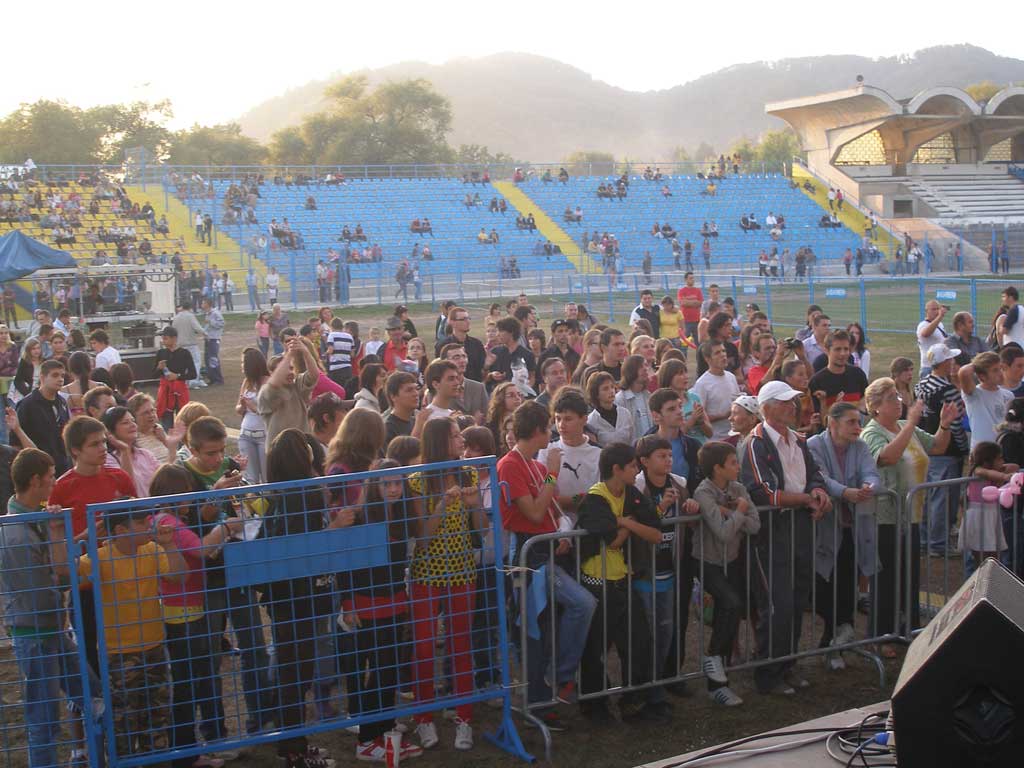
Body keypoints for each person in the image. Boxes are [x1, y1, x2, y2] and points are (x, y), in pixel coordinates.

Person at [498, 400, 596, 730]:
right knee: (542, 627)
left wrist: (562, 534)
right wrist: (554, 472)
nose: (552, 434)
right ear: (538, 431)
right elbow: (535, 513)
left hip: (547, 554)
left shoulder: (536, 467)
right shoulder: (511, 465)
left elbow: (555, 514)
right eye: (549, 428)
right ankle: (543, 696)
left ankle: (551, 685)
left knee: (549, 626)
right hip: (527, 560)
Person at [0, 448, 100, 768]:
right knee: (45, 721)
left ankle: (91, 755)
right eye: (51, 476)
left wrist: (57, 533)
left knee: (91, 695)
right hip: (39, 631)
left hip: (47, 629)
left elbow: (55, 573)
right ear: (35, 481)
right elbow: (47, 586)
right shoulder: (18, 533)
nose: (55, 481)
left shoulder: (32, 519)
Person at [740, 380, 832, 695]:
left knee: (796, 599)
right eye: (785, 402)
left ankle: (787, 664)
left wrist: (817, 490)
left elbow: (814, 473)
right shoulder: (756, 443)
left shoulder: (799, 440)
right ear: (766, 408)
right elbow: (764, 493)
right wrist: (806, 500)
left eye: (793, 401)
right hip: (771, 534)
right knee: (776, 604)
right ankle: (768, 673)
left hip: (800, 530)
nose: (792, 407)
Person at [260, 429, 338, 768]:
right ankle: (293, 748)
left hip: (293, 597)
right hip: (298, 598)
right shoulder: (301, 495)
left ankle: (293, 741)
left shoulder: (284, 494)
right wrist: (334, 530)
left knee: (294, 671)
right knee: (295, 672)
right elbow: (300, 546)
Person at [576, 442, 670, 723]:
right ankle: (595, 706)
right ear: (617, 469)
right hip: (597, 583)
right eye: (632, 466)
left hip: (622, 580)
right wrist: (628, 525)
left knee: (639, 643)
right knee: (596, 648)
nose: (636, 469)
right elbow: (613, 541)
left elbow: (655, 532)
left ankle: (635, 701)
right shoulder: (595, 499)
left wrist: (624, 522)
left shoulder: (631, 493)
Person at [407, 418, 485, 750]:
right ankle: (424, 717)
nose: (461, 440)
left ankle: (463, 717)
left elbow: (481, 529)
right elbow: (421, 539)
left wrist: (474, 504)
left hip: (462, 571)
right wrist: (441, 505)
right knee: (424, 647)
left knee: (460, 644)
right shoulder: (416, 481)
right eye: (455, 436)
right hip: (427, 573)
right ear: (440, 442)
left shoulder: (468, 474)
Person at [862, 378, 956, 650]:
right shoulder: (873, 432)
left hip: (912, 516)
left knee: (910, 575)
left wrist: (945, 424)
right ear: (876, 407)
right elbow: (888, 457)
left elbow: (937, 446)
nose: (900, 402)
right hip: (885, 517)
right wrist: (913, 422)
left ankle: (908, 629)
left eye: (898, 396)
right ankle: (881, 636)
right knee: (887, 577)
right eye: (892, 398)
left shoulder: (906, 427)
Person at [806, 402, 882, 670]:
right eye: (851, 422)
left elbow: (872, 472)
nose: (857, 427)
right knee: (822, 584)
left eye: (858, 421)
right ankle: (839, 630)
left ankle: (836, 640)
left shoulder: (860, 446)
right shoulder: (814, 445)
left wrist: (868, 486)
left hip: (852, 528)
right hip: (823, 529)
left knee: (848, 580)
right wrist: (846, 492)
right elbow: (819, 477)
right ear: (833, 423)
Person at [692, 441, 759, 705]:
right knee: (731, 602)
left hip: (731, 560)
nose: (738, 466)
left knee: (729, 610)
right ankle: (712, 660)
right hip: (707, 560)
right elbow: (722, 533)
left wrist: (731, 513)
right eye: (733, 462)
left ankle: (718, 683)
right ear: (717, 468)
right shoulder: (703, 492)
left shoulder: (738, 488)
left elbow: (755, 525)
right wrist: (739, 512)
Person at [915, 345, 969, 557]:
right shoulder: (948, 389)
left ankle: (925, 539)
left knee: (928, 496)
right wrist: (963, 448)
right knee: (943, 498)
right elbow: (955, 423)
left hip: (927, 444)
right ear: (944, 363)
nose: (953, 363)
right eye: (950, 360)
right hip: (947, 448)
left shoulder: (920, 385)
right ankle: (938, 544)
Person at [257, 337, 319, 448]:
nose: (290, 372)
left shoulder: (297, 385)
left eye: (291, 368)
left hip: (302, 447)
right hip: (279, 451)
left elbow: (314, 375)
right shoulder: (266, 392)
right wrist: (289, 355)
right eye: (286, 369)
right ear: (272, 373)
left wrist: (305, 351)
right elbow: (275, 384)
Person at [961, 441, 1013, 569]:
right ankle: (980, 583)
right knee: (982, 556)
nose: (1002, 460)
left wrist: (1002, 468)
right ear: (987, 461)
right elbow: (986, 473)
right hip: (979, 517)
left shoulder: (993, 472)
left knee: (993, 556)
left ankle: (990, 582)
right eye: (999, 458)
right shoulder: (978, 471)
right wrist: (1005, 476)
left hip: (990, 516)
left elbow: (1015, 466)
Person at [14, 359, 70, 474]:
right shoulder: (27, 405)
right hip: (38, 469)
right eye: (55, 375)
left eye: (62, 376)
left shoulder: (62, 402)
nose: (60, 379)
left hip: (62, 466)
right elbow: (15, 442)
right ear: (43, 377)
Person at [959, 351, 1014, 450]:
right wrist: (979, 364)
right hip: (982, 451)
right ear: (982, 376)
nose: (1000, 373)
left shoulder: (1008, 395)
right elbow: (964, 372)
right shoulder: (974, 395)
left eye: (1000, 368)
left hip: (1003, 448)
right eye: (995, 370)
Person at [808, 330, 869, 412]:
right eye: (838, 349)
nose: (843, 353)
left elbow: (866, 402)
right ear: (826, 350)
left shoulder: (858, 375)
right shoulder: (817, 381)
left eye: (846, 349)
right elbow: (817, 417)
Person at [693, 341, 741, 439]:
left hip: (735, 435)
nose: (723, 355)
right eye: (717, 353)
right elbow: (700, 417)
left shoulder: (731, 377)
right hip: (716, 438)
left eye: (723, 351)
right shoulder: (702, 384)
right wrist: (723, 415)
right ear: (707, 359)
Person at [236, 347, 270, 484]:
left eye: (244, 362)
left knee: (267, 477)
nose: (242, 366)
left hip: (264, 436)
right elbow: (238, 408)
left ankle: (269, 504)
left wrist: (253, 407)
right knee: (250, 478)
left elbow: (270, 411)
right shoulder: (247, 382)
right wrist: (243, 406)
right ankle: (253, 505)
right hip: (245, 435)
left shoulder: (267, 382)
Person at [153, 326, 197, 430]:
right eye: (162, 338)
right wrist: (159, 368)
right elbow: (153, 375)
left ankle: (182, 442)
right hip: (165, 392)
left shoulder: (184, 353)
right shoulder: (161, 353)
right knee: (166, 422)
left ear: (174, 338)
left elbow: (193, 374)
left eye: (166, 338)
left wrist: (177, 376)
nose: (163, 341)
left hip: (180, 390)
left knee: (182, 421)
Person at [435, 306, 485, 382]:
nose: (468, 321)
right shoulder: (442, 345)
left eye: (468, 318)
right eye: (463, 319)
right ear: (452, 322)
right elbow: (440, 371)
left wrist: (487, 366)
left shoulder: (477, 344)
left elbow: (482, 371)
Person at [586, 371, 633, 447]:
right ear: (596, 394)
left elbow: (632, 440)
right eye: (605, 389)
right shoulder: (591, 421)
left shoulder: (625, 413)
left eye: (612, 387)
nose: (611, 391)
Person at [615, 355, 653, 438]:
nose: (645, 369)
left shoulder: (648, 396)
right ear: (630, 371)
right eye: (640, 366)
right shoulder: (620, 400)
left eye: (646, 365)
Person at [382, 371, 424, 443]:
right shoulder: (388, 428)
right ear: (393, 396)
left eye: (416, 389)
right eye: (409, 390)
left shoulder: (415, 421)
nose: (416, 393)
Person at [917, 300, 949, 377]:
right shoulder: (923, 325)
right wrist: (940, 317)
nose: (937, 311)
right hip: (928, 367)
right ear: (926, 311)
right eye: (933, 309)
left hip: (940, 365)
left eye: (938, 309)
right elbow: (925, 334)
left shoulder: (940, 324)